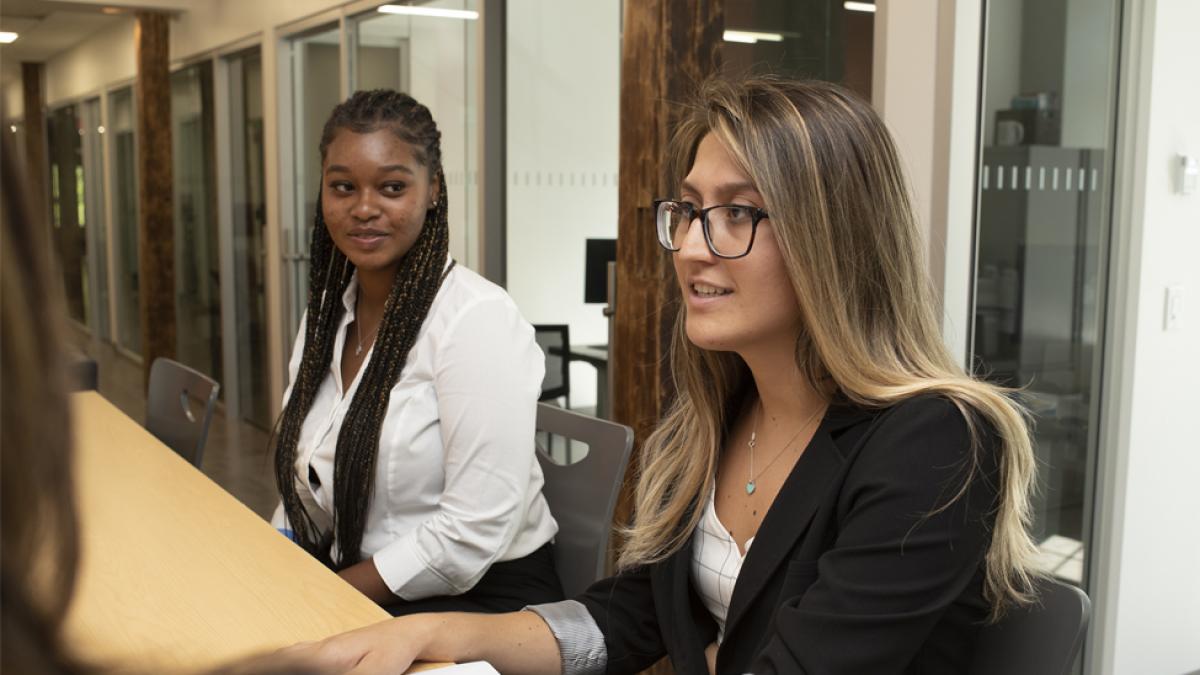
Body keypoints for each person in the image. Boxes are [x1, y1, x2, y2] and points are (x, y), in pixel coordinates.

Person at [277, 76, 1043, 674]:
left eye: (738, 213)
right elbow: (627, 617)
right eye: (688, 209)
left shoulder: (934, 439)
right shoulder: (724, 410)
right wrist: (432, 631)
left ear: (833, 237)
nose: (691, 247)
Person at [270, 89, 562, 616]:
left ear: (432, 191)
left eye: (392, 187)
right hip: (358, 580)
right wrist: (275, 563)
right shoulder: (324, 317)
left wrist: (323, 596)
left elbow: (472, 531)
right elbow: (302, 484)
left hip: (476, 596)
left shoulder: (477, 319)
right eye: (342, 187)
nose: (363, 208)